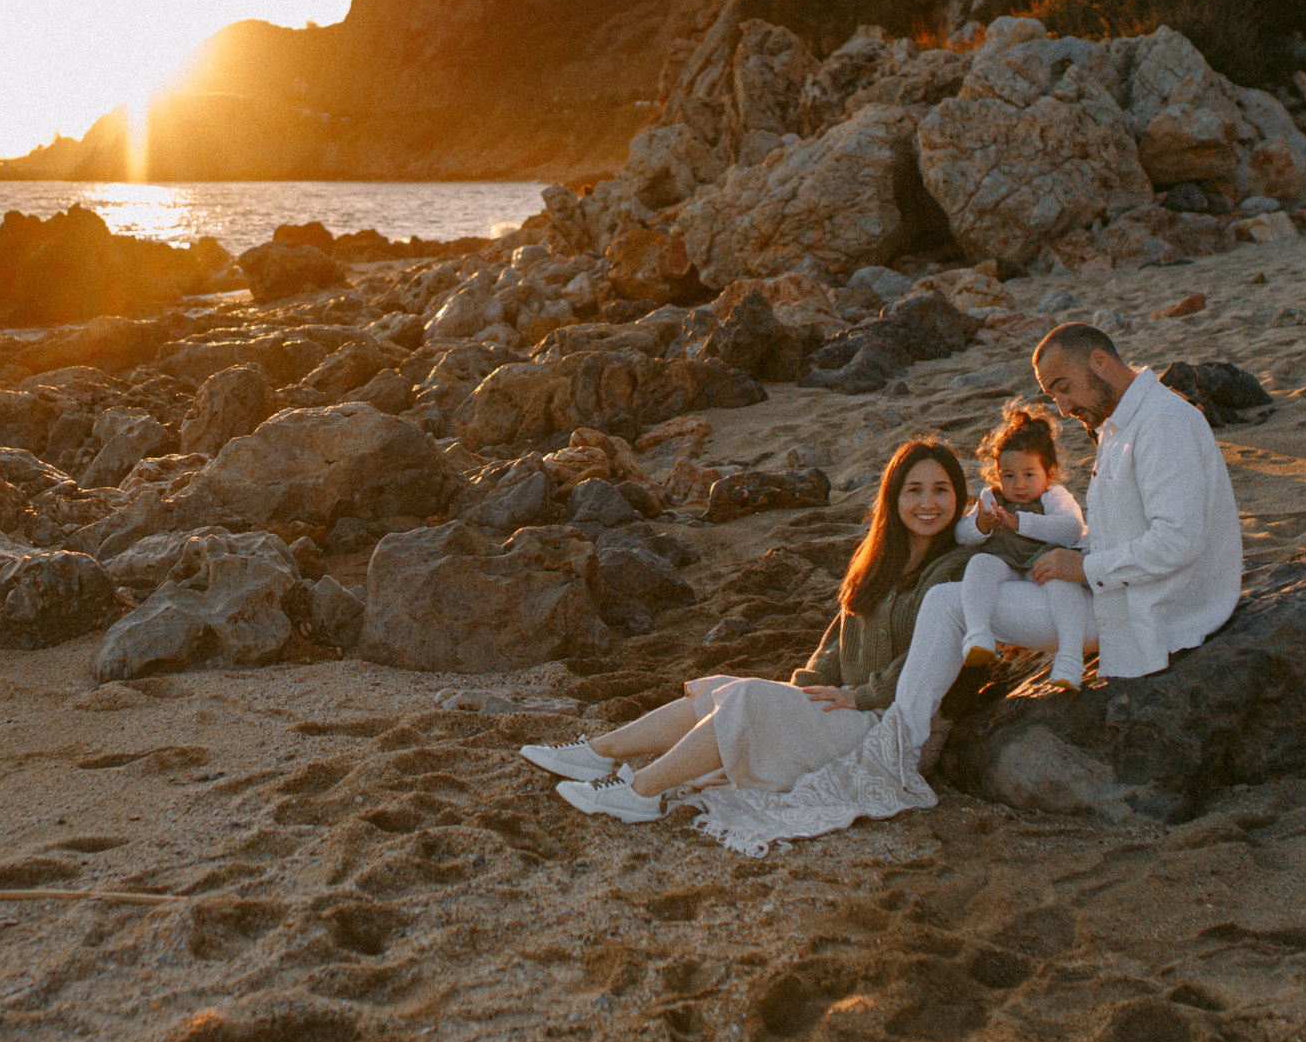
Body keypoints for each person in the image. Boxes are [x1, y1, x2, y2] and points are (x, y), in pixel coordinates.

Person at [516, 437, 978, 844]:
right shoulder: (880, 560)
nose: (928, 503)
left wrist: (858, 695)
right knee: (723, 687)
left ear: (959, 499)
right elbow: (839, 636)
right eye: (913, 490)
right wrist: (808, 686)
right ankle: (599, 754)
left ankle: (640, 792)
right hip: (845, 707)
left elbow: (930, 659)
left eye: (941, 490)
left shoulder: (958, 569)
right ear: (894, 498)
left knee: (750, 698)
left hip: (892, 727)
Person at [875, 321, 1244, 773]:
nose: (1064, 408)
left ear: (1099, 362)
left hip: (1150, 608)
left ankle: (897, 754)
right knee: (967, 587)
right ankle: (904, 742)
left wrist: (1083, 568)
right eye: (1054, 396)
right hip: (1122, 588)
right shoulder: (1124, 423)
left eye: (1064, 389)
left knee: (946, 604)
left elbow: (1177, 542)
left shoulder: (1163, 423)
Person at [954, 401, 1092, 694]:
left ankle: (1069, 656)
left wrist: (1021, 523)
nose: (1018, 485)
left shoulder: (1055, 496)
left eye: (1029, 474)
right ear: (997, 473)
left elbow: (1071, 529)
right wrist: (981, 524)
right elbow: (961, 535)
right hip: (1005, 563)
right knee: (979, 565)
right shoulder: (991, 498)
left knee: (1062, 583)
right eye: (1008, 475)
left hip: (1042, 562)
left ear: (1049, 472)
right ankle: (978, 635)